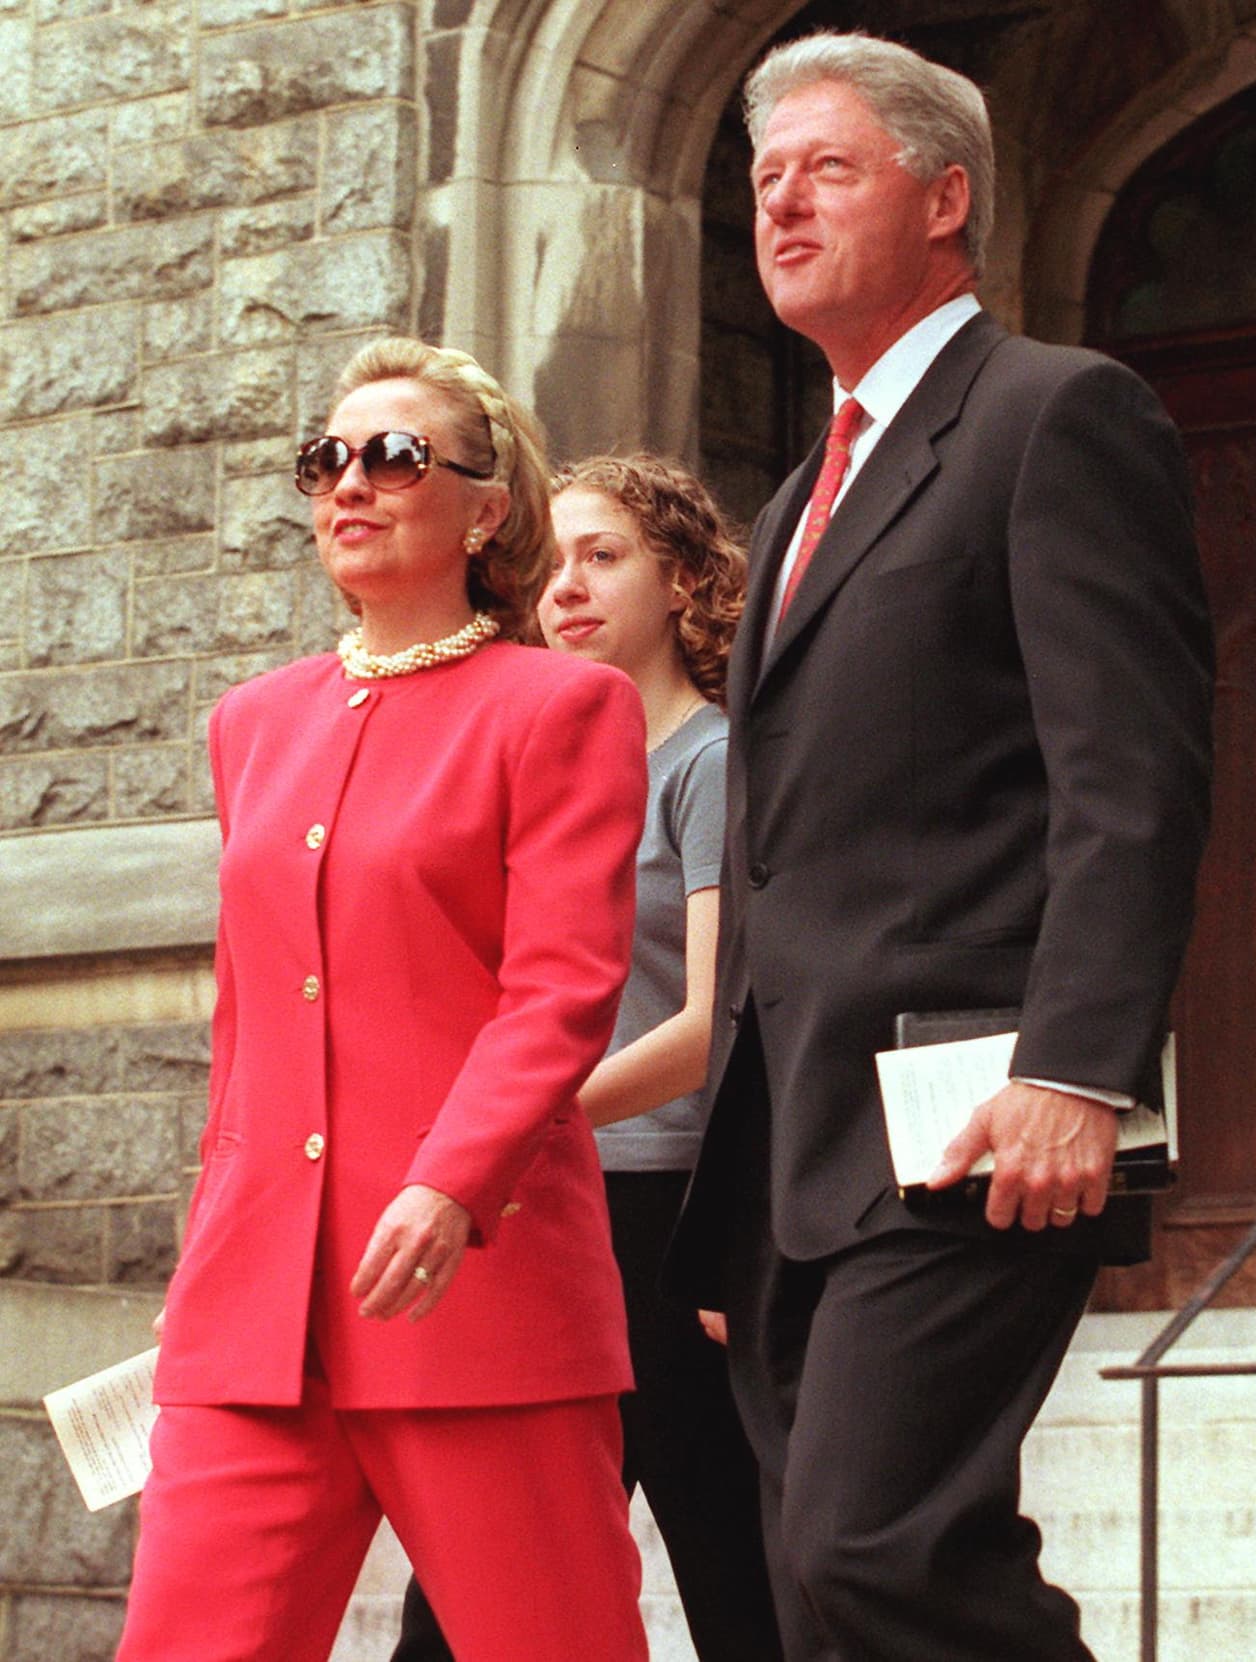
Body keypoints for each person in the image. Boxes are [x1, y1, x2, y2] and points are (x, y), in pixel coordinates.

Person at [666, 30, 1215, 1662]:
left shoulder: (1057, 416)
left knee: (874, 1550)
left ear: (945, 196)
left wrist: (1078, 1065)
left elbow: (1133, 777)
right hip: (793, 1149)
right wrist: (733, 1187)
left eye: (828, 167)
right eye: (764, 177)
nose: (781, 203)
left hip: (975, 1114)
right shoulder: (790, 506)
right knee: (817, 1597)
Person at [116, 337, 652, 1662]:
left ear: (486, 509)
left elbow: (560, 991)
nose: (350, 482)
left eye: (396, 455)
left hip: (477, 1283)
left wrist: (450, 1178)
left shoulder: (561, 707)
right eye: (326, 458)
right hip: (256, 1312)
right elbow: (246, 1025)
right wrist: (212, 1244)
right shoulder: (251, 720)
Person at [392, 456, 783, 1662]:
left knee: (730, 1572)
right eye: (551, 560)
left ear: (682, 584)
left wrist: (514, 1126)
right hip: (542, 1206)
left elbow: (710, 1024)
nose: (565, 586)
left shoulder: (709, 764)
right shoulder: (539, 766)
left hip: (662, 1217)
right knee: (472, 1583)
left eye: (602, 555)